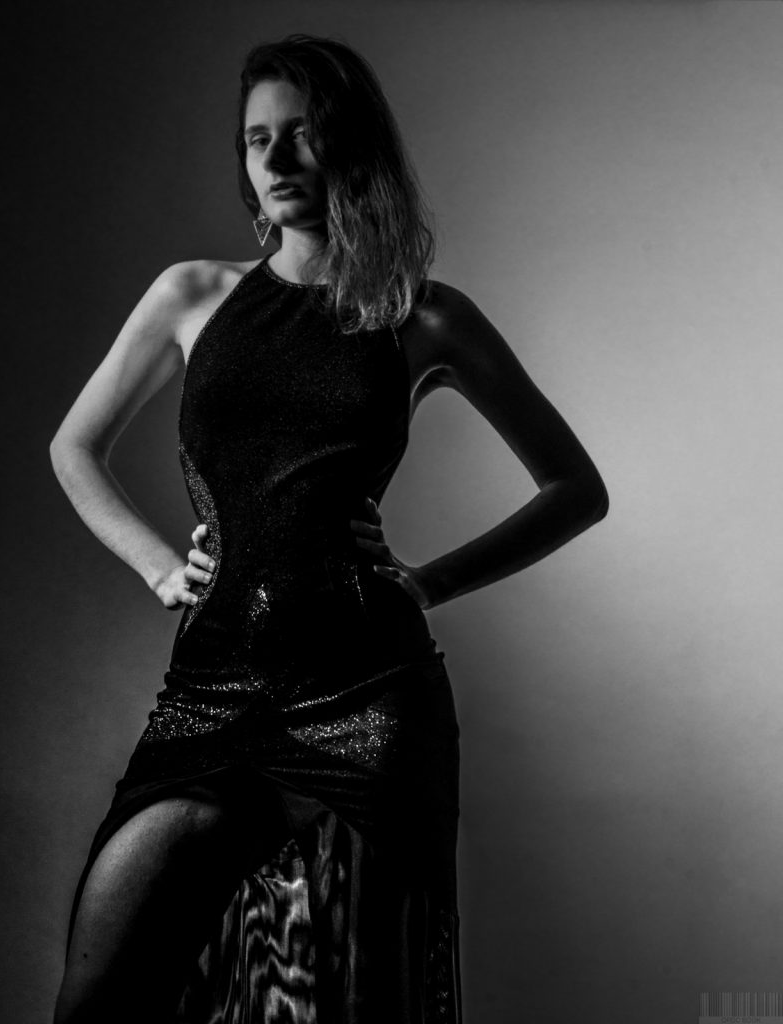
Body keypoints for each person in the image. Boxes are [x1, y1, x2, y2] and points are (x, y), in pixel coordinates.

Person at [48, 33, 608, 1024]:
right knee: (99, 997)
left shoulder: (424, 317)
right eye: (257, 138)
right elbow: (74, 447)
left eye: (302, 133)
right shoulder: (191, 294)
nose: (276, 158)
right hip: (210, 692)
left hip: (370, 699)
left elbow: (575, 489)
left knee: (357, 1002)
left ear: (351, 145)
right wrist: (156, 565)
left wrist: (427, 581)